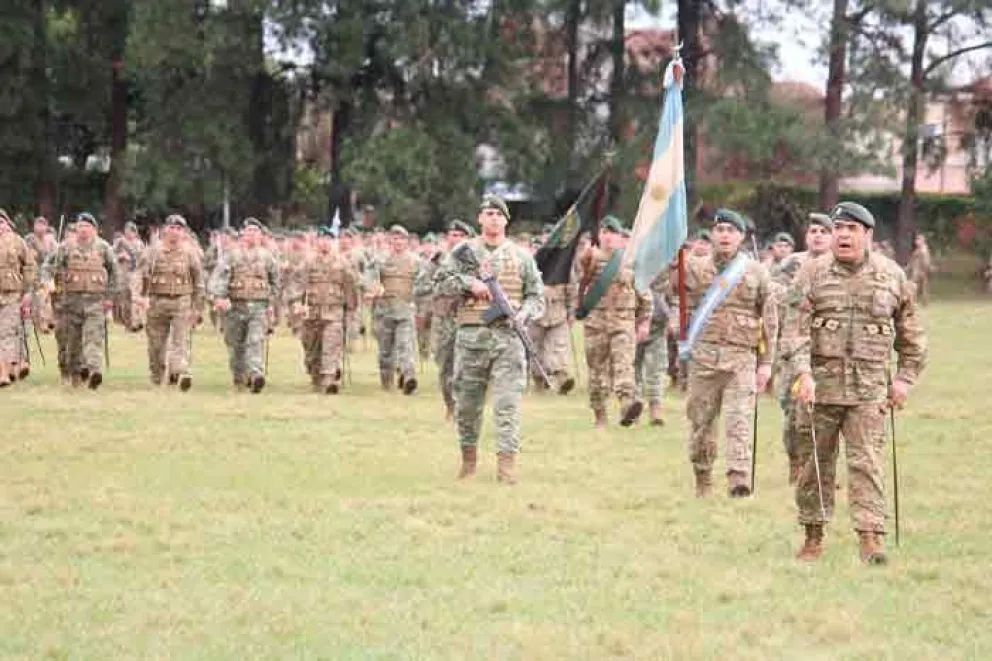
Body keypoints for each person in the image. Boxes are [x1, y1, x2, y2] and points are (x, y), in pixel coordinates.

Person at [786, 201, 928, 565]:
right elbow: (795, 331)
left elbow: (912, 336)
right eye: (839, 229)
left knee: (867, 462)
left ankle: (870, 538)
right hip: (820, 388)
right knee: (814, 464)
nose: (844, 235)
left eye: (852, 229)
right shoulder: (811, 274)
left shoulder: (893, 276)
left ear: (867, 235)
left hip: (869, 391)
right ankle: (813, 536)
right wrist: (802, 373)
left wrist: (904, 380)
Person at [436, 196, 544, 483]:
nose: (494, 218)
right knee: (468, 404)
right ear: (480, 218)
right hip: (472, 337)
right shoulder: (463, 252)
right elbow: (441, 282)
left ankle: (506, 466)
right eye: (488, 213)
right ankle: (468, 462)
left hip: (509, 338)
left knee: (507, 403)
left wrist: (524, 313)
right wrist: (469, 284)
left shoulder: (521, 257)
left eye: (499, 214)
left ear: (506, 221)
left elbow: (536, 295)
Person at [670, 208, 777, 498]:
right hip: (703, 357)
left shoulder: (755, 272)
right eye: (720, 230)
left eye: (731, 230)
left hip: (741, 359)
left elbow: (769, 319)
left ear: (741, 236)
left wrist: (766, 364)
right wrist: (672, 257)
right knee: (701, 422)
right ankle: (703, 477)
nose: (725, 235)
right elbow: (671, 289)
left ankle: (738, 478)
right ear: (712, 234)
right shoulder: (693, 267)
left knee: (740, 417)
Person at [772, 212, 834, 484]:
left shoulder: (840, 266)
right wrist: (798, 297)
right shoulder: (791, 264)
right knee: (794, 411)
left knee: (829, 413)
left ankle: (822, 469)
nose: (818, 235)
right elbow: (773, 294)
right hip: (794, 347)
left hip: (830, 349)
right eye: (813, 231)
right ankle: (795, 463)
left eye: (823, 231)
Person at [576, 216, 652, 428]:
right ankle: (599, 415)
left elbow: (644, 294)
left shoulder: (631, 262)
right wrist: (586, 260)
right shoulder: (588, 258)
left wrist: (644, 322)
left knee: (624, 366)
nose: (609, 237)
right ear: (599, 235)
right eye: (605, 232)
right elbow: (579, 286)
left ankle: (628, 406)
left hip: (623, 324)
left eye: (613, 233)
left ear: (620, 237)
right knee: (597, 373)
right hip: (596, 324)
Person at [41, 212, 117, 389]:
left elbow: (115, 272)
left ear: (94, 230)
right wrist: (49, 284)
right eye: (80, 226)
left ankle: (93, 370)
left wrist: (110, 297)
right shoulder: (65, 247)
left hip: (95, 302)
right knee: (72, 343)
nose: (83, 230)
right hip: (70, 303)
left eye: (87, 227)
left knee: (93, 338)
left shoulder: (103, 248)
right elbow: (48, 267)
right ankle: (75, 375)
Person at [211, 218, 280, 393]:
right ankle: (240, 377)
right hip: (235, 307)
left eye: (256, 231)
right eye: (249, 231)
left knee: (255, 341)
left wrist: (271, 302)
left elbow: (276, 281)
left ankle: (256, 374)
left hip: (258, 308)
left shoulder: (267, 257)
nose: (252, 235)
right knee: (236, 345)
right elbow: (219, 278)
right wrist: (220, 298)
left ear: (261, 236)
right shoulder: (232, 255)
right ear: (243, 234)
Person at [136, 214, 205, 390]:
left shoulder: (190, 253)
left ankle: (178, 371)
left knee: (180, 341)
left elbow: (198, 281)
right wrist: (139, 297)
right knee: (156, 346)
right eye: (172, 228)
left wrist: (197, 308)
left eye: (179, 229)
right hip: (156, 303)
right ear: (165, 230)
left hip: (182, 302)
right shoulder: (153, 251)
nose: (175, 232)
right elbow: (139, 275)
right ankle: (157, 376)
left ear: (184, 233)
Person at [290, 226, 359, 394]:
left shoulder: (342, 262)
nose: (325, 244)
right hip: (311, 313)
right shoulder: (308, 262)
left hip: (333, 313)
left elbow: (350, 286)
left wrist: (350, 308)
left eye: (328, 240)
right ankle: (315, 374)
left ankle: (329, 379)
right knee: (312, 350)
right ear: (317, 242)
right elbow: (297, 285)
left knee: (331, 346)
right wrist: (296, 303)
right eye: (322, 240)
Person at [423, 220, 471, 419]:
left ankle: (466, 408)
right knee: (445, 365)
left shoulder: (474, 260)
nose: (456, 239)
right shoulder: (437, 261)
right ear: (447, 238)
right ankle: (450, 405)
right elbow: (421, 286)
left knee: (468, 365)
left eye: (460, 236)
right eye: (453, 235)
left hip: (468, 319)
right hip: (444, 320)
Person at [366, 225, 420, 394]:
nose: (398, 242)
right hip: (385, 311)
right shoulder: (380, 260)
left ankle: (408, 375)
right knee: (385, 350)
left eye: (402, 239)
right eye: (395, 239)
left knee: (406, 345)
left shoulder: (415, 261)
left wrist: (418, 299)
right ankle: (387, 381)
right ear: (390, 240)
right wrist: (375, 287)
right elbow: (369, 277)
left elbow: (424, 282)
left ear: (407, 242)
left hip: (405, 310)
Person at [0, 209, 37, 386]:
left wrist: (28, 291)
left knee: (7, 332)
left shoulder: (17, 242)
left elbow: (29, 266)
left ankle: (5, 373)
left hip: (12, 295)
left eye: (1, 222)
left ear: (7, 223)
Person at [906, 233, 933, 306]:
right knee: (917, 287)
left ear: (923, 241)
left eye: (918, 240)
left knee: (920, 288)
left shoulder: (923, 250)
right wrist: (908, 267)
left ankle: (923, 302)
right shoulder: (918, 250)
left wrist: (925, 270)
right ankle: (917, 302)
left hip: (920, 272)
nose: (916, 241)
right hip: (916, 271)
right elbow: (912, 261)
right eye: (916, 240)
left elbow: (926, 262)